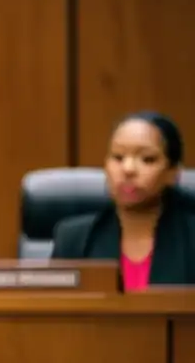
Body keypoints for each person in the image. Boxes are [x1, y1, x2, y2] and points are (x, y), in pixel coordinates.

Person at [52, 111, 195, 290]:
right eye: (118, 157)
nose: (128, 169)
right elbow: (57, 313)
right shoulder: (74, 239)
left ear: (172, 173)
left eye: (147, 159)